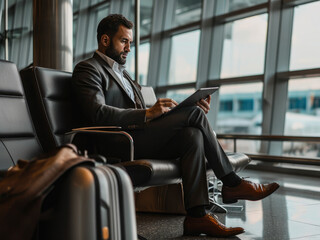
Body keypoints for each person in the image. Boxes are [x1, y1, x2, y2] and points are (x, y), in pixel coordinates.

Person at [72, 14, 279, 238]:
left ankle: (197, 216)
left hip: (138, 137)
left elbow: (149, 116)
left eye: (130, 42)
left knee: (192, 134)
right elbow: (97, 113)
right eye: (124, 41)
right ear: (104, 40)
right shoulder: (88, 69)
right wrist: (147, 113)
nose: (129, 48)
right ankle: (231, 182)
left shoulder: (126, 76)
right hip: (118, 143)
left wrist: (178, 111)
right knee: (193, 117)